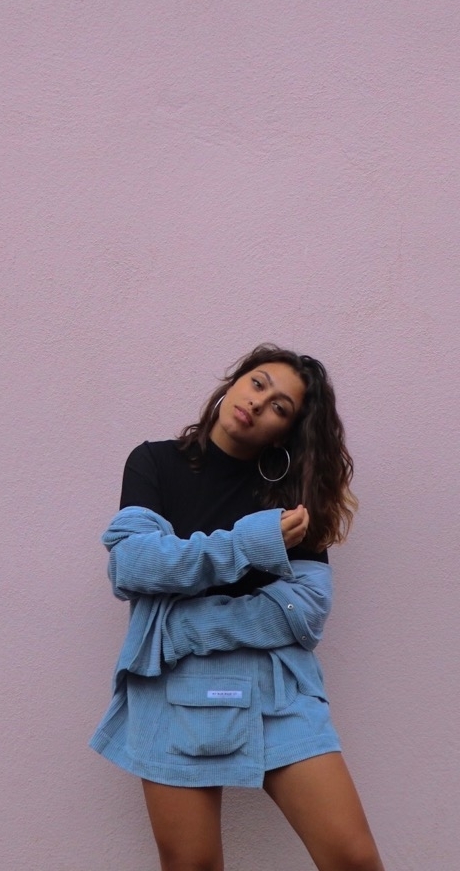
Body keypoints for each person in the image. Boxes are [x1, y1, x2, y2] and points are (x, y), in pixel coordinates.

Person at [90, 345, 384, 871]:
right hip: (171, 687)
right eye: (257, 383)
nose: (258, 402)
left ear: (285, 433)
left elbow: (305, 608)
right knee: (193, 865)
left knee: (353, 858)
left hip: (276, 685)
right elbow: (132, 567)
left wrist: (180, 626)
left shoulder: (294, 497)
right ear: (234, 382)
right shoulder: (154, 462)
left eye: (280, 407)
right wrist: (248, 545)